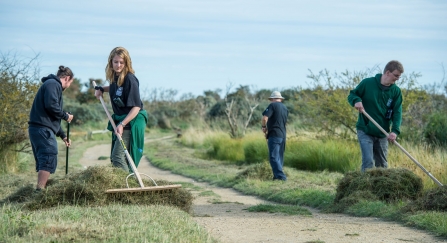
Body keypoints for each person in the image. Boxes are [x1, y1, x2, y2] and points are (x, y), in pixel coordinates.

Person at [94, 47, 148, 172]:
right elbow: (114, 88)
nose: (118, 65)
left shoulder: (130, 79)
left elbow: (136, 107)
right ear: (111, 62)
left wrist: (122, 124)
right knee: (117, 158)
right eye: (116, 62)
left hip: (132, 120)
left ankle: (126, 186)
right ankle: (127, 184)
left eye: (121, 62)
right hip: (122, 120)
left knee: (118, 157)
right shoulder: (115, 77)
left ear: (126, 63)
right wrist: (101, 88)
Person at [347, 60, 403, 172]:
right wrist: (356, 100)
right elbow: (353, 94)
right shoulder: (368, 83)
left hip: (382, 132)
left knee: (382, 165)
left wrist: (395, 131)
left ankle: (381, 188)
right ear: (387, 72)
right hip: (365, 129)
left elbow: (397, 112)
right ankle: (364, 188)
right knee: (368, 162)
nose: (397, 78)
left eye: (399, 76)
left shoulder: (396, 91)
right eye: (396, 75)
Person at [28, 66, 75, 191]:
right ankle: (39, 191)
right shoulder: (53, 84)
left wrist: (63, 135)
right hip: (42, 129)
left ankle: (41, 188)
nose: (69, 86)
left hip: (41, 128)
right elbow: (51, 106)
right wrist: (66, 116)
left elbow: (51, 117)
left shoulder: (51, 85)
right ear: (67, 78)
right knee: (48, 156)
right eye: (70, 83)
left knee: (46, 158)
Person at [262, 91, 288, 181]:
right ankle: (276, 177)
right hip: (283, 135)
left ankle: (281, 177)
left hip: (274, 134)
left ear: (273, 99)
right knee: (279, 157)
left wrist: (264, 127)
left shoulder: (272, 106)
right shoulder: (285, 108)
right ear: (280, 99)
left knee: (273, 157)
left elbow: (265, 118)